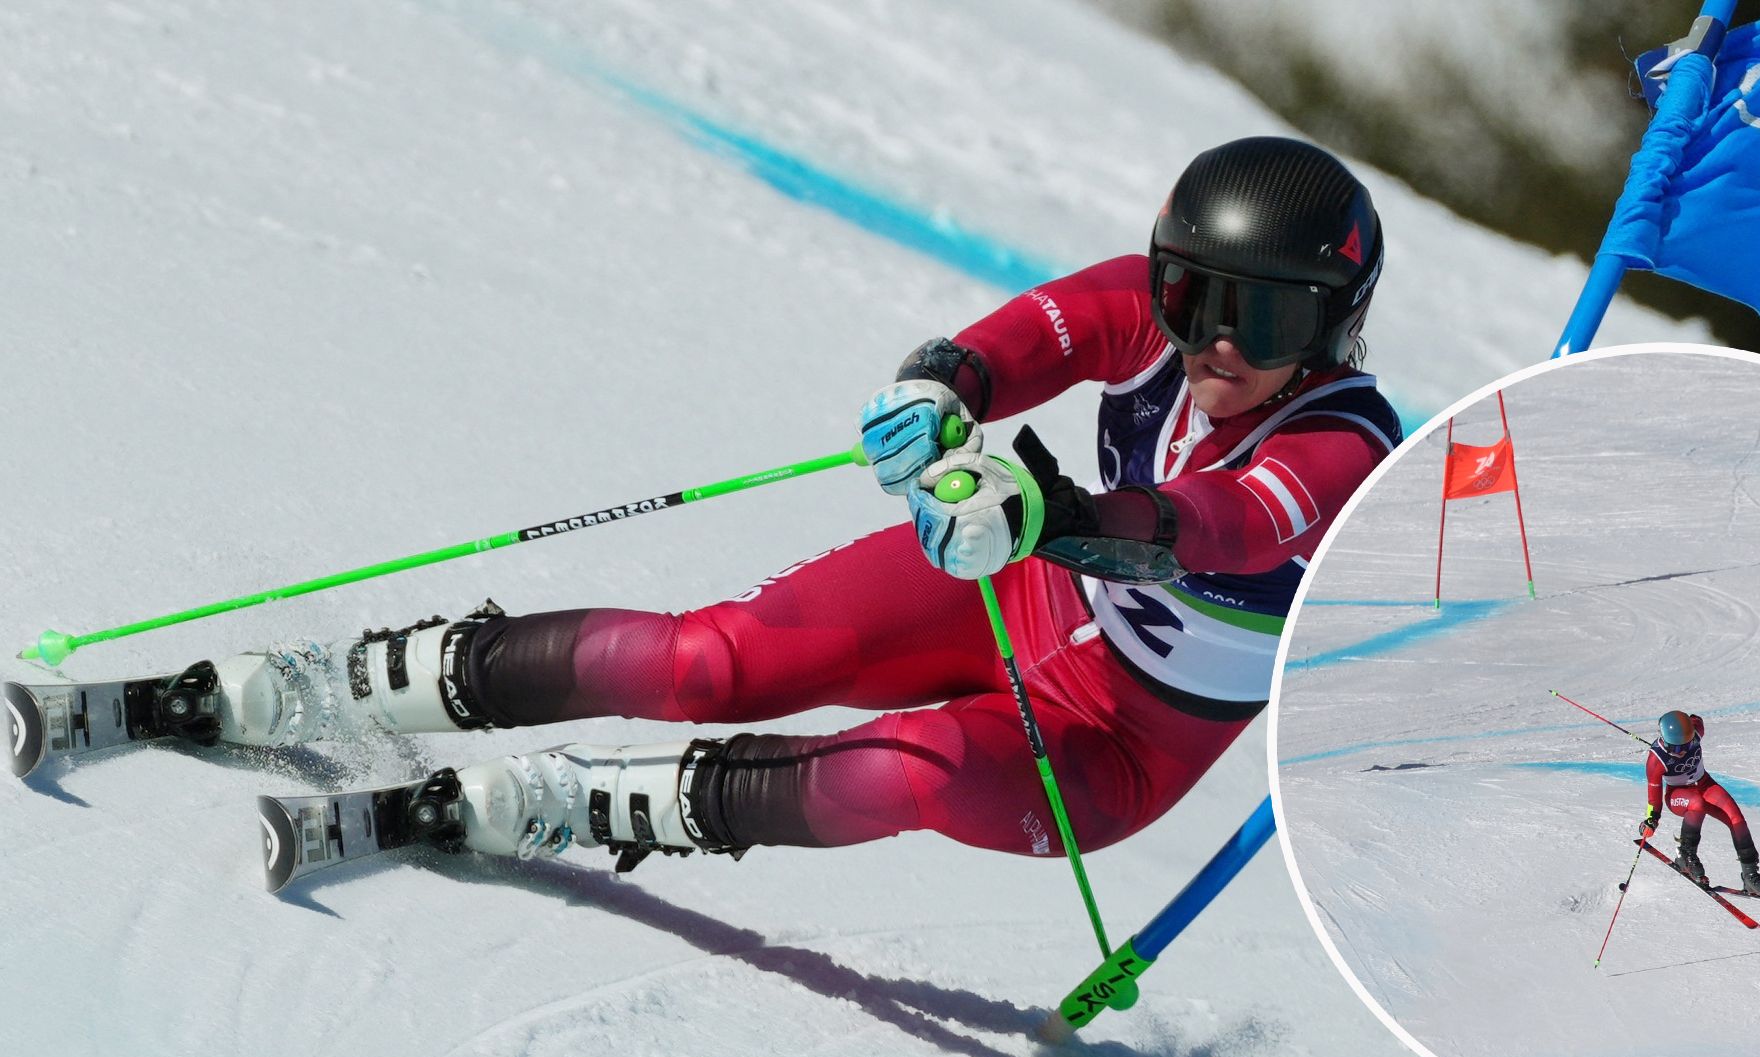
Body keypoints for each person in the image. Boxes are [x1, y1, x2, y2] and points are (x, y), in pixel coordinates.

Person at [64, 136, 1401, 871]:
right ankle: (340, 680)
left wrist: (1057, 516)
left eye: (1262, 313)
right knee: (707, 657)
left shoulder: (1346, 445)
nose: (1213, 340)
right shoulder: (1160, 312)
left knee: (904, 776)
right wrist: (941, 392)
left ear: (1329, 321)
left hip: (1107, 748)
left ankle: (568, 804)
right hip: (1008, 588)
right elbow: (1027, 341)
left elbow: (1216, 528)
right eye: (1190, 298)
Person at [1638, 710, 1760, 898]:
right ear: (1664, 740)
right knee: (1697, 803)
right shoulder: (1656, 760)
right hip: (1678, 795)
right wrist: (1651, 819)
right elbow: (1653, 797)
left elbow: (1696, 720)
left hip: (1705, 785)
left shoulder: (1695, 732)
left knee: (1736, 818)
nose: (1682, 752)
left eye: (1686, 746)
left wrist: (1688, 719)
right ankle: (1686, 856)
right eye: (1676, 749)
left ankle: (1750, 874)